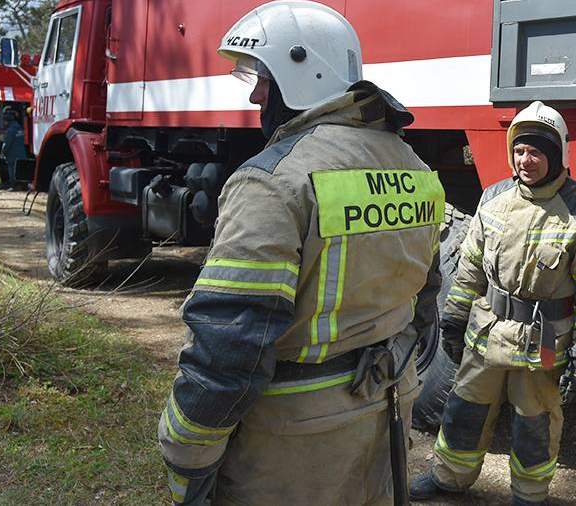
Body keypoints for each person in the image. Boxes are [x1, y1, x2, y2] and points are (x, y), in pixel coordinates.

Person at [156, 2, 444, 505]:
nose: (255, 94)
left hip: (292, 446)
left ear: (302, 70)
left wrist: (186, 452)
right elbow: (424, 302)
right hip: (385, 414)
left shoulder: (272, 181)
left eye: (263, 77)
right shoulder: (415, 168)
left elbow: (229, 346)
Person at [409, 101, 576, 505]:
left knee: (535, 426)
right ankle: (449, 478)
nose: (526, 160)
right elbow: (470, 266)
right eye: (520, 150)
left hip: (542, 346)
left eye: (537, 152)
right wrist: (454, 318)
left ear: (557, 154)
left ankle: (529, 494)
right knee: (463, 411)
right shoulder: (493, 198)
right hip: (485, 335)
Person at [1, 108, 26, 190]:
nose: (3, 123)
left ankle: (13, 186)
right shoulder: (20, 128)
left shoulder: (10, 130)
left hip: (12, 155)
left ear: (7, 121)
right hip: (21, 153)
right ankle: (22, 186)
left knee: (12, 170)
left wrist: (3, 152)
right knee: (20, 170)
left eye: (4, 121)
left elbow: (7, 143)